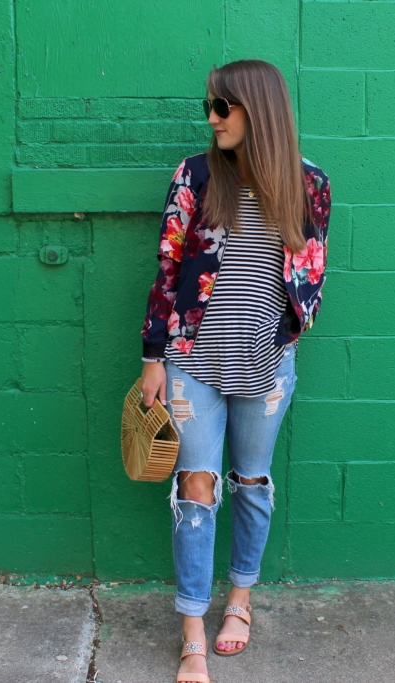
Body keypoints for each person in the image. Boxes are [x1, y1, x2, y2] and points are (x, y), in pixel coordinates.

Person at [139, 59, 331, 683]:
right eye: (210, 109)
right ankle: (193, 626)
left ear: (259, 110)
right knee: (196, 487)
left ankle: (240, 601)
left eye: (223, 107)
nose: (213, 119)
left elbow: (310, 278)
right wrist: (152, 358)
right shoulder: (195, 176)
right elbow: (167, 270)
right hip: (192, 366)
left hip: (267, 369)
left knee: (251, 481)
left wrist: (282, 343)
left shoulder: (311, 187)